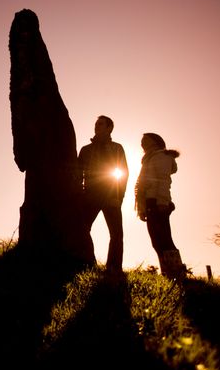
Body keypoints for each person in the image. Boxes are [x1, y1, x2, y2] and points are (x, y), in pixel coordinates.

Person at [78, 115, 129, 272]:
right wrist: (80, 194)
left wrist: (119, 196)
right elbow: (77, 173)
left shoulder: (117, 148)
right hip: (90, 194)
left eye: (100, 124)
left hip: (111, 194)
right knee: (81, 229)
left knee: (116, 234)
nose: (96, 126)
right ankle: (87, 263)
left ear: (109, 128)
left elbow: (123, 172)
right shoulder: (86, 149)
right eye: (95, 124)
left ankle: (114, 268)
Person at [135, 132, 185, 281]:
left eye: (145, 140)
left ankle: (177, 274)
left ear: (156, 142)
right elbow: (143, 185)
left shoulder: (161, 157)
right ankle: (167, 273)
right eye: (141, 140)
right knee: (156, 241)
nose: (142, 143)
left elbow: (162, 181)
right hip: (150, 202)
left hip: (158, 202)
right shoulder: (149, 159)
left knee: (164, 240)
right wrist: (142, 208)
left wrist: (162, 203)